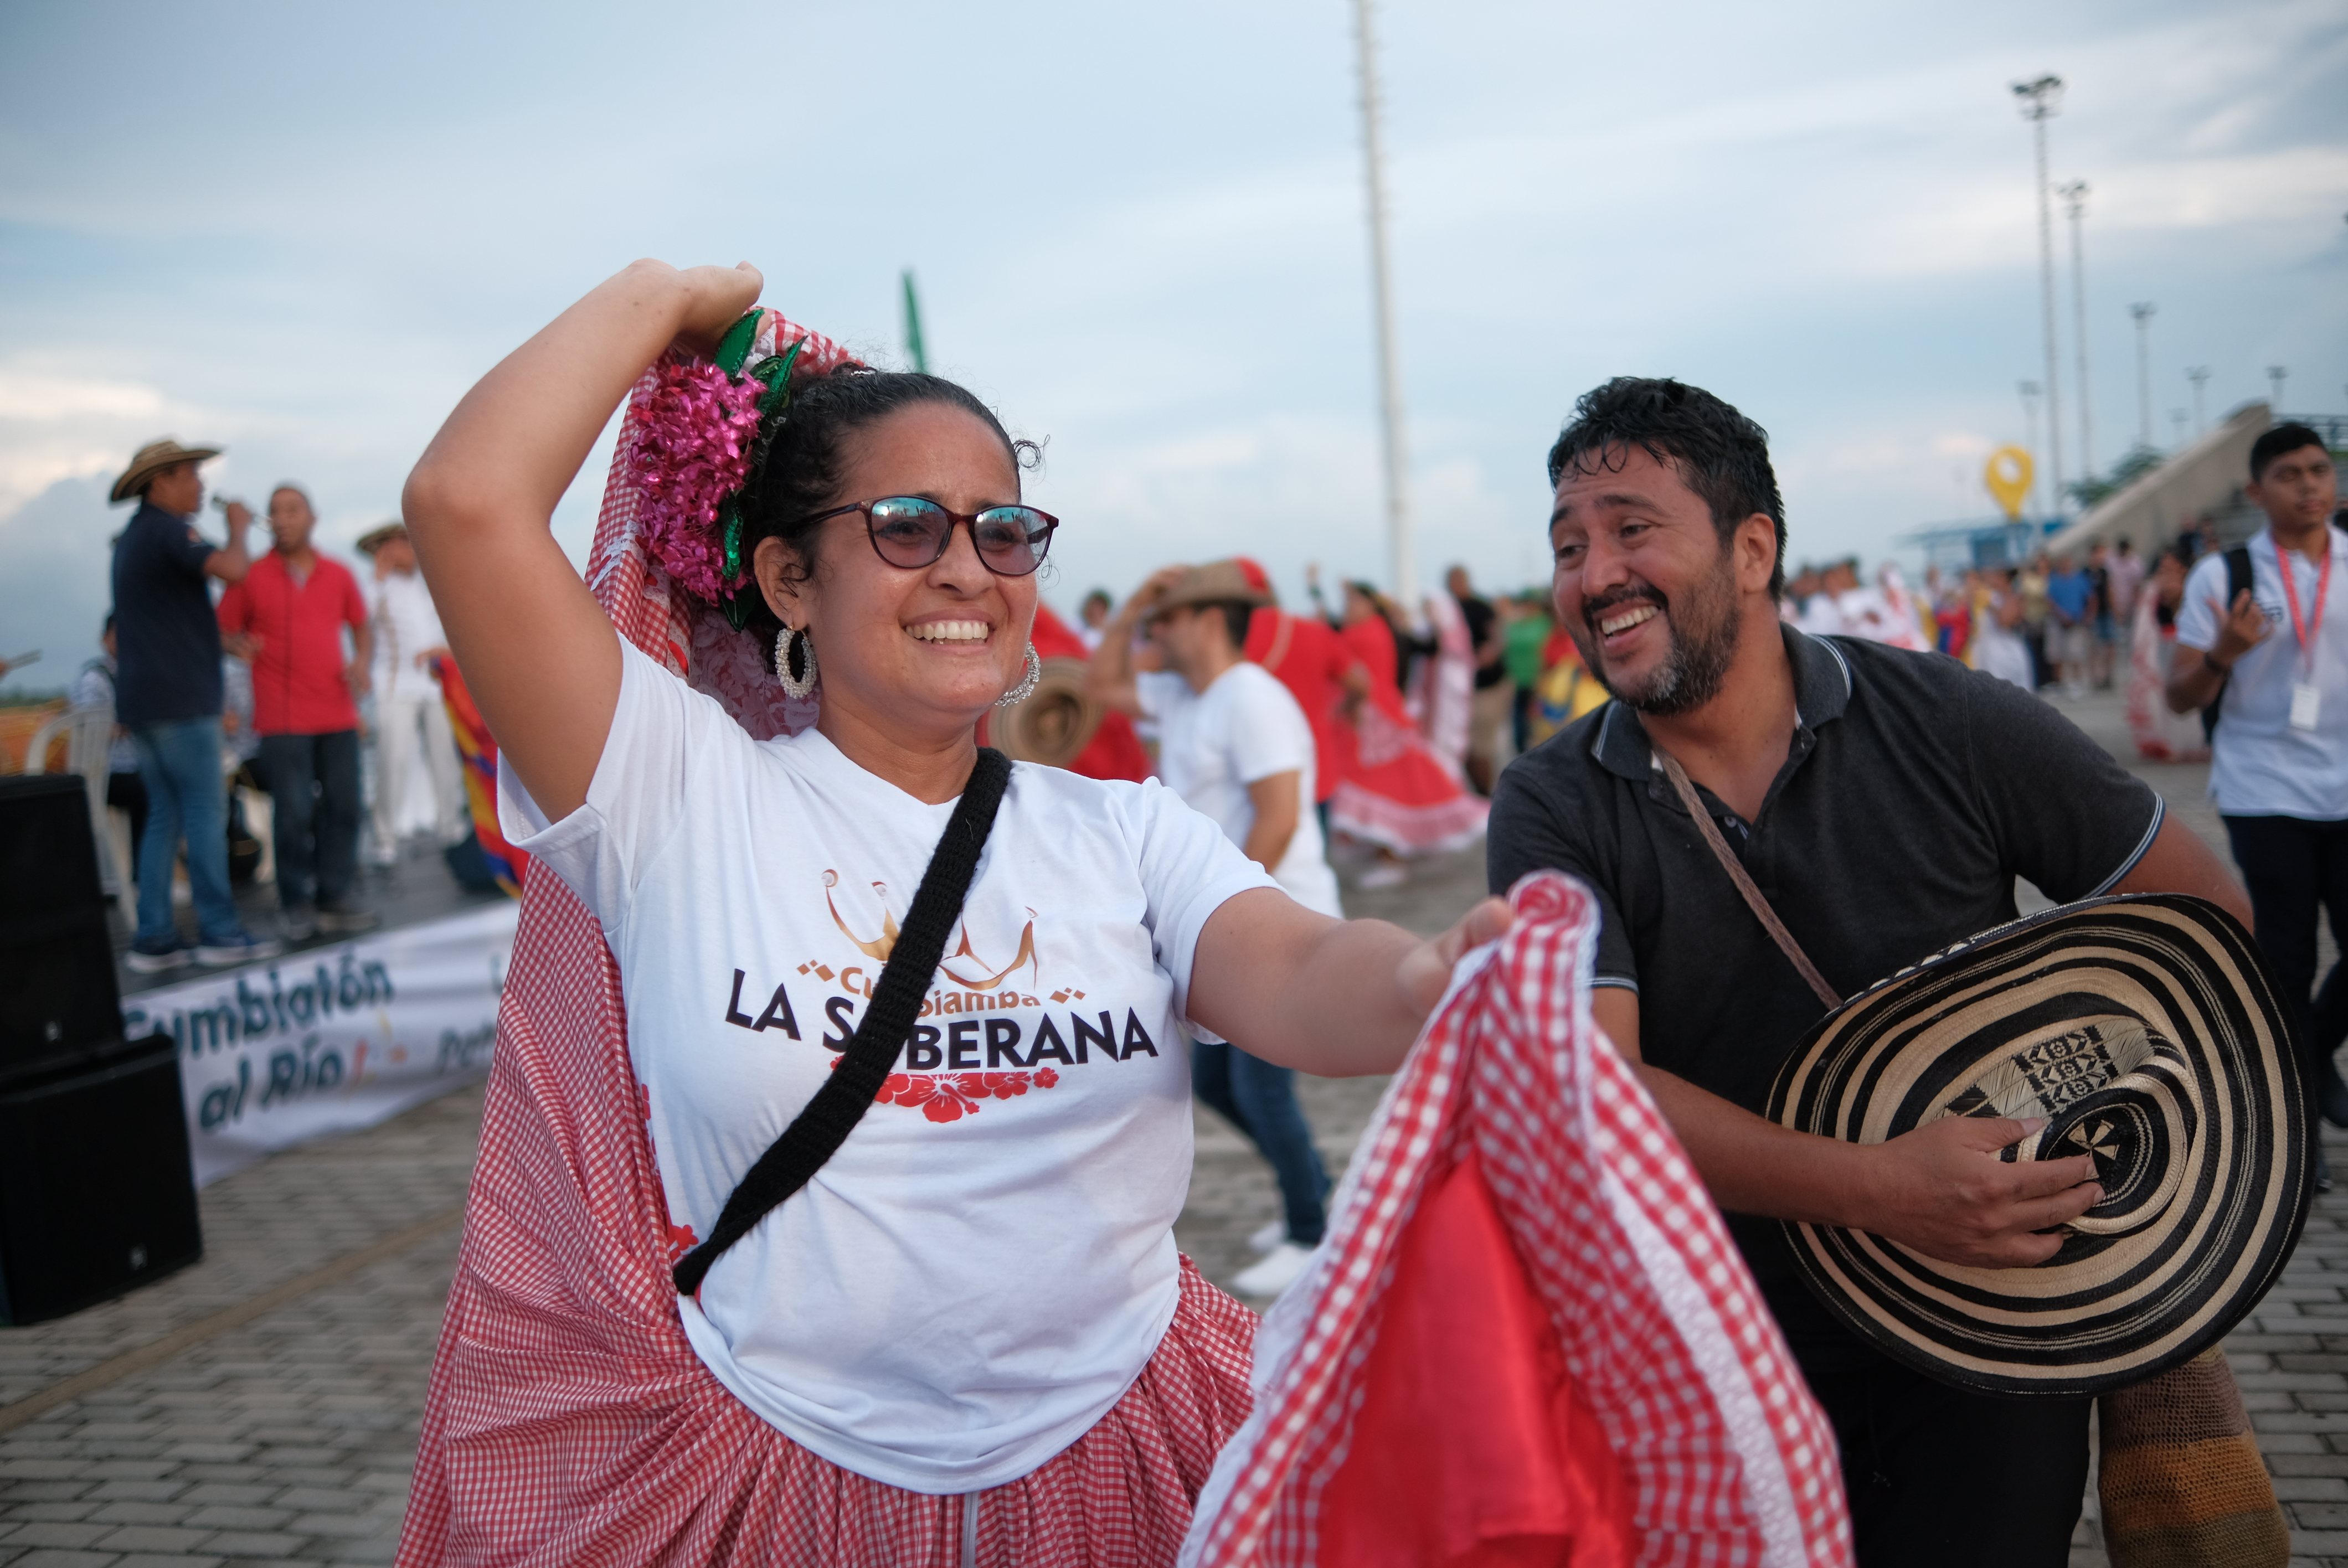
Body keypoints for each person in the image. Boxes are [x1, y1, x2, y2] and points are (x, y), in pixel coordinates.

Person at [395, 259, 1505, 1562]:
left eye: (1002, 530)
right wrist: (664, 300)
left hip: (1130, 1454)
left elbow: (1307, 970)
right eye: (906, 526)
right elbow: (466, 502)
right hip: (780, 1477)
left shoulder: (1120, 830)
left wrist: (1434, 971)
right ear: (789, 579)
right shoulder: (675, 797)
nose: (966, 568)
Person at [1488, 376, 2249, 1567]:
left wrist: (2104, 1141)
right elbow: (1592, 1089)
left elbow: (2197, 914)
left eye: (1632, 528)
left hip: (2001, 1334)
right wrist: (1879, 1188)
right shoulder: (1552, 799)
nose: (1592, 577)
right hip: (1723, 1342)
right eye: (1568, 545)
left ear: (1751, 550)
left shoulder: (1943, 719)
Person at [1088, 560, 1341, 1299]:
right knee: (1223, 1086)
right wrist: (1131, 600)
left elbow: (1281, 816)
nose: (1152, 632)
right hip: (1223, 928)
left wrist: (1224, 918)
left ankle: (1312, 1232)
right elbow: (1101, 686)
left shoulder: (1250, 698)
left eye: (1164, 619)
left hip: (1272, 920)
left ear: (1206, 620)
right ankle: (1314, 1191)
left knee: (1263, 1090)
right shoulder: (1184, 695)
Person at [2169, 424, 2348, 1159]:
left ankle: (2304, 1059)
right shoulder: (2226, 575)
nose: (2308, 486)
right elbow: (2183, 695)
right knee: (2287, 949)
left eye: (2319, 470)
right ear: (2255, 491)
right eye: (2289, 475)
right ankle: (2292, 1135)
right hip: (2262, 783)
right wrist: (2222, 654)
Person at [107, 439, 281, 971]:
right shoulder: (169, 531)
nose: (201, 485)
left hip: (144, 702)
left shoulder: (136, 538)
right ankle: (219, 931)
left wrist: (223, 643)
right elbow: (233, 570)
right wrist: (236, 525)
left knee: (164, 815)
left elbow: (164, 622)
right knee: (206, 811)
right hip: (183, 702)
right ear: (160, 482)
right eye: (191, 474)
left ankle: (154, 937)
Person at [216, 485, 379, 939]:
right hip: (282, 718)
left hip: (339, 712)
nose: (283, 519)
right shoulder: (250, 575)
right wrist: (236, 644)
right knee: (293, 812)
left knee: (346, 806)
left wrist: (362, 663)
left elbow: (362, 628)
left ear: (312, 518)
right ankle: (295, 902)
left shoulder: (339, 573)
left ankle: (335, 894)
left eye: (292, 511)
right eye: (275, 512)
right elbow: (221, 630)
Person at [1327, 580, 1489, 887]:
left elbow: (1359, 679)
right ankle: (1394, 853)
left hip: (1375, 719)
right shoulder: (1374, 629)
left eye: (1351, 601)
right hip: (1377, 715)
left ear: (1369, 604)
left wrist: (1346, 705)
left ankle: (1393, 857)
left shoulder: (1367, 633)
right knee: (1395, 785)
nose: (1347, 608)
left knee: (1386, 786)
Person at [1237, 559, 1370, 842]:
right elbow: (1361, 684)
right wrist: (1346, 709)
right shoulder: (1311, 631)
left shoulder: (1223, 642)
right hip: (1313, 769)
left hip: (1246, 781)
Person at [358, 520, 465, 864]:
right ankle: (384, 839)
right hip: (394, 687)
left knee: (445, 758)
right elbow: (361, 621)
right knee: (394, 760)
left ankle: (453, 829)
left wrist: (441, 651)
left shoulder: (429, 582)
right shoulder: (376, 588)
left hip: (434, 685)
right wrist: (379, 574)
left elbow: (451, 625)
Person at [70, 615, 148, 863]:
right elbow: (90, 730)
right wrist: (128, 724)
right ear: (104, 639)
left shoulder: (135, 674)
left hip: (132, 768)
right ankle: (141, 876)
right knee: (151, 792)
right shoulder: (95, 678)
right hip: (103, 773)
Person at [2124, 540, 2209, 762]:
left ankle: (2197, 743)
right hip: (2165, 647)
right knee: (2167, 694)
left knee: (2191, 693)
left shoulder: (2198, 584)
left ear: (2182, 567)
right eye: (2163, 565)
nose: (2164, 568)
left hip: (2190, 647)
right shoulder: (2155, 590)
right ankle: (2172, 743)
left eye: (2169, 564)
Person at [1447, 566, 1510, 794]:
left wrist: (1490, 652)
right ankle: (1481, 793)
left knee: (1481, 747)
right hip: (1463, 690)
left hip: (1486, 687)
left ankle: (1487, 795)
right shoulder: (1450, 610)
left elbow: (1497, 636)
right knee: (1467, 749)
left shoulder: (1480, 607)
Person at [1076, 587, 1113, 652]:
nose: (1096, 610)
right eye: (1095, 605)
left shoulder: (1106, 633)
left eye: (1101, 608)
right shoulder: (1074, 625)